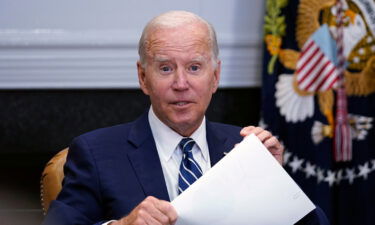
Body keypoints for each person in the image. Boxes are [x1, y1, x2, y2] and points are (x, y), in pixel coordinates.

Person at [42, 11, 329, 225]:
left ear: (214, 77)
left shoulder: (245, 147)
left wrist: (274, 182)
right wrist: (122, 224)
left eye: (194, 67)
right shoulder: (96, 152)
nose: (181, 83)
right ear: (143, 77)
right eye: (165, 68)